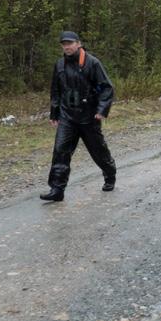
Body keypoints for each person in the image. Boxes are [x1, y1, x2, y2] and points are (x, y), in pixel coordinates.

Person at [40, 31, 117, 202]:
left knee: (98, 151)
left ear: (78, 44)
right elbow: (55, 91)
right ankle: (57, 189)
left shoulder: (92, 63)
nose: (67, 47)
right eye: (64, 44)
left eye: (70, 43)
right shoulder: (59, 65)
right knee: (60, 151)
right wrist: (55, 113)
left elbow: (106, 87)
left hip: (89, 117)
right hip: (67, 117)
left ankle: (110, 173)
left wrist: (101, 109)